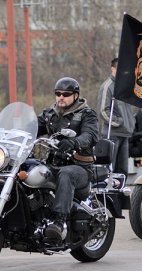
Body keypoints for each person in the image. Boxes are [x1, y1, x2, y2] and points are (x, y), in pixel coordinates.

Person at [37, 77, 98, 242]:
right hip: (53, 164)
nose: (61, 97)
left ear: (76, 95)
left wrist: (75, 142)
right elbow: (32, 126)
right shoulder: (50, 114)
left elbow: (90, 135)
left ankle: (59, 222)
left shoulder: (86, 114)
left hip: (80, 168)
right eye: (58, 93)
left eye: (66, 94)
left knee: (66, 174)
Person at [97, 58, 135, 176]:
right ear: (112, 68)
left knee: (122, 171)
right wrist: (119, 122)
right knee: (109, 170)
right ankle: (108, 193)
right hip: (112, 134)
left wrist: (131, 123)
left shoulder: (125, 87)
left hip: (125, 134)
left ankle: (120, 194)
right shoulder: (107, 87)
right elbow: (103, 111)